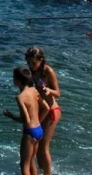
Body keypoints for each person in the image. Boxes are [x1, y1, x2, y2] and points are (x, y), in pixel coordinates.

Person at [4, 67, 49, 175]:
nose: (12, 80)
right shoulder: (34, 90)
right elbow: (47, 108)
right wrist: (38, 121)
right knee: (32, 161)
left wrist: (11, 116)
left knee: (24, 164)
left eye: (13, 78)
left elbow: (26, 120)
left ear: (17, 81)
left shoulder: (20, 97)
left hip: (29, 132)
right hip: (39, 130)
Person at [25, 47, 61, 175]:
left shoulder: (48, 71)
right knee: (36, 145)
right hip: (41, 111)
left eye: (34, 63)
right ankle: (41, 170)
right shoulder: (31, 71)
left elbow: (58, 93)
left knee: (43, 147)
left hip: (51, 111)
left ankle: (48, 173)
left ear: (41, 60)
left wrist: (49, 90)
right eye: (29, 63)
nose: (31, 66)